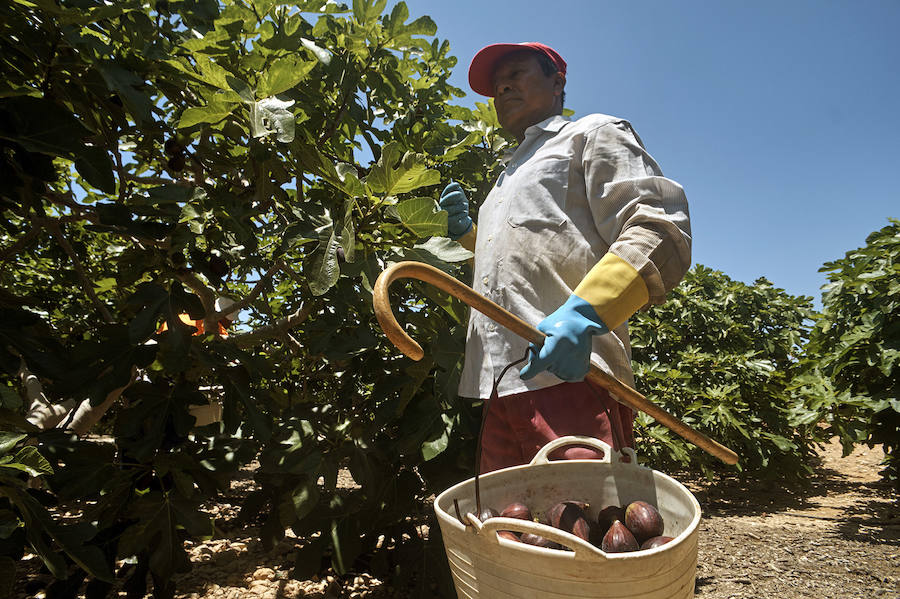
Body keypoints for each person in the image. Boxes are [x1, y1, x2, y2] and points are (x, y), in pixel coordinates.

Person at [440, 42, 691, 473]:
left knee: (584, 526)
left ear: (557, 83)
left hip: (572, 377)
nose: (503, 86)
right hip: (498, 382)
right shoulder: (506, 175)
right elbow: (528, 257)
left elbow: (658, 225)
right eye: (498, 84)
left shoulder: (592, 133)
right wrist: (471, 238)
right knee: (512, 528)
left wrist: (587, 314)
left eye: (516, 74)